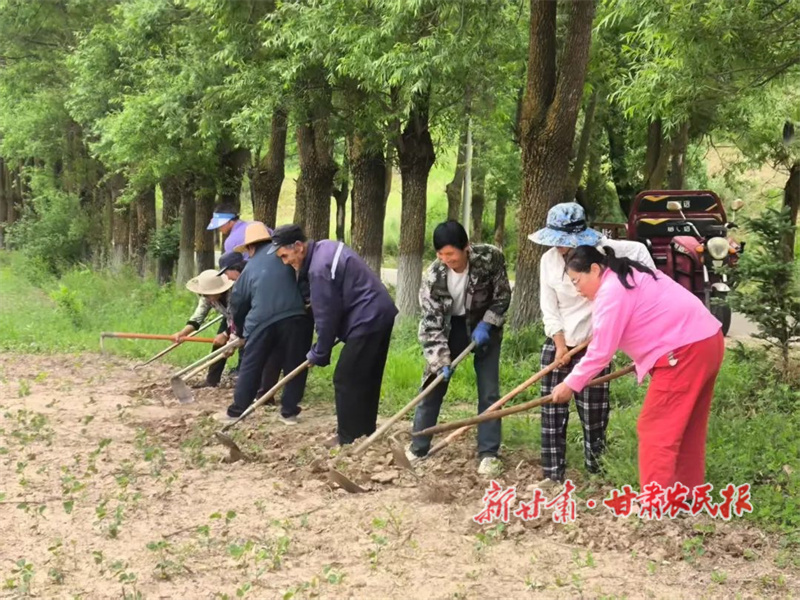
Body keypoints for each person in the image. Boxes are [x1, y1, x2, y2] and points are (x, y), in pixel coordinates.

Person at [551, 245, 724, 491]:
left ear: (595, 269)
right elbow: (653, 314)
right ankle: (685, 494)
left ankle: (656, 502)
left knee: (655, 428)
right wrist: (645, 356)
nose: (577, 290)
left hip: (684, 352)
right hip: (707, 340)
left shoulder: (611, 292)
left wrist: (570, 383)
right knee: (687, 427)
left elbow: (601, 352)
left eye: (577, 281)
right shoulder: (629, 273)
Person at [529, 202, 655, 491]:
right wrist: (559, 345)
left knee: (594, 412)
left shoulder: (604, 251)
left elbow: (640, 255)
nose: (561, 249)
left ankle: (595, 472)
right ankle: (552, 474)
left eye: (565, 243)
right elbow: (548, 308)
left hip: (595, 343)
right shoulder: (548, 261)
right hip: (560, 341)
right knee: (552, 407)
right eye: (557, 242)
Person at [271, 224, 398, 447]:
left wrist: (319, 352)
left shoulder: (318, 269)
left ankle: (347, 437)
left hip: (367, 317)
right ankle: (365, 432)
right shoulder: (325, 248)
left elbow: (326, 315)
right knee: (366, 376)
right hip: (379, 313)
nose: (285, 261)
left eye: (285, 255)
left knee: (345, 378)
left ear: (299, 247)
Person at [408, 220, 512, 476]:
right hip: (448, 328)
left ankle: (489, 453)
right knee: (433, 385)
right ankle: (418, 446)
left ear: (466, 247)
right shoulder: (433, 277)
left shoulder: (489, 258)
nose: (447, 260)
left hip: (483, 326)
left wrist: (488, 324)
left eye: (451, 254)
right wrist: (440, 359)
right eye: (441, 254)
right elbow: (431, 326)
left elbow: (502, 295)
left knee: (489, 390)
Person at [215, 222, 313, 424]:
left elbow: (238, 302)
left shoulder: (250, 267)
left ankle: (237, 411)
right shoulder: (285, 253)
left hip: (261, 322)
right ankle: (289, 412)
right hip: (296, 317)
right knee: (295, 364)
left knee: (252, 365)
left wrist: (240, 331)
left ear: (250, 247)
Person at [171, 255, 244, 388]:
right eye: (203, 294)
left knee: (245, 346)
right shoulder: (206, 298)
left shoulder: (235, 294)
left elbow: (240, 318)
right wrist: (183, 333)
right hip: (229, 318)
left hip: (244, 318)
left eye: (207, 294)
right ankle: (212, 380)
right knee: (218, 344)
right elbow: (198, 317)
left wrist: (228, 335)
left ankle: (246, 383)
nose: (205, 297)